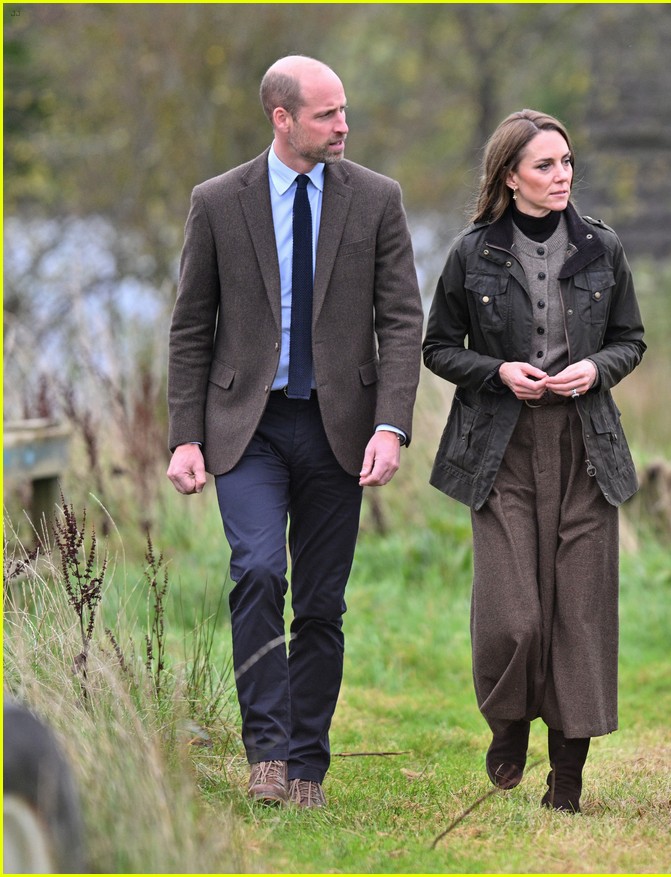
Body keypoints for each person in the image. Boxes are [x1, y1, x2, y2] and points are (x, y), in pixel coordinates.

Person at [166, 55, 423, 809]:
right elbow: (190, 329)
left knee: (319, 602)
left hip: (340, 428)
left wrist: (392, 425)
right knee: (255, 572)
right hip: (245, 427)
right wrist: (186, 436)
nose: (343, 125)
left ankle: (308, 763)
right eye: (326, 114)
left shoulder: (377, 199)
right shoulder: (216, 202)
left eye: (345, 111)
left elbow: (402, 322)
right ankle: (266, 754)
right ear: (282, 118)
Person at [423, 109, 644, 814]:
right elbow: (437, 347)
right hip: (500, 449)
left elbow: (631, 338)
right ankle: (508, 722)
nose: (561, 176)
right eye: (545, 165)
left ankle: (568, 780)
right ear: (509, 176)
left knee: (579, 615)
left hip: (586, 447)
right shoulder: (471, 253)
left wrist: (596, 371)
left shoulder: (602, 248)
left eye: (567, 163)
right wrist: (497, 371)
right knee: (514, 616)